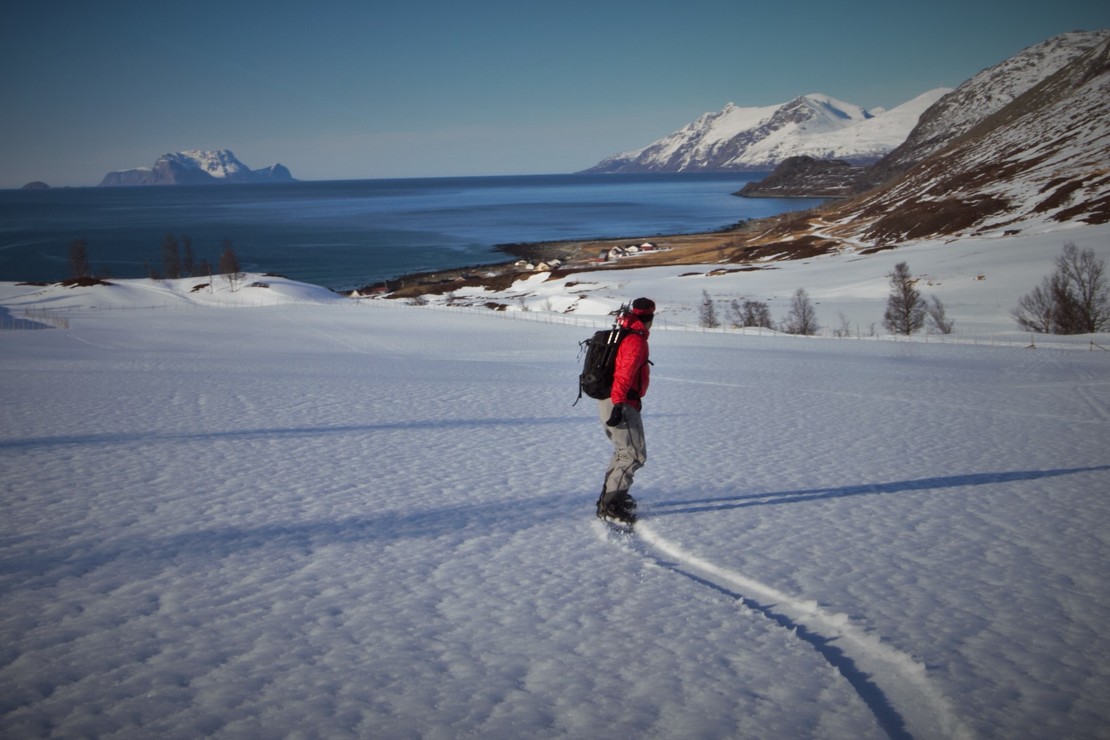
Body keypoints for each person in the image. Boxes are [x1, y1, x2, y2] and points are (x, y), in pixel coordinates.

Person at [596, 297, 654, 524]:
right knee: (633, 454)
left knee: (623, 451)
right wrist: (619, 404)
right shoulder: (635, 340)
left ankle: (610, 496)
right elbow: (625, 373)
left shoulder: (624, 331)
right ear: (649, 317)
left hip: (610, 399)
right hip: (621, 402)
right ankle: (611, 505)